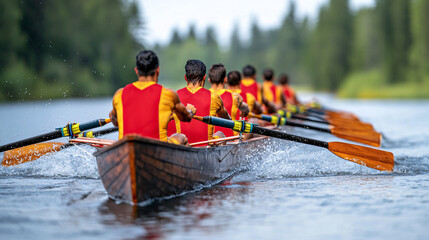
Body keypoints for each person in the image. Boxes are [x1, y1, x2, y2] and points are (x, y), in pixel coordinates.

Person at [109, 50, 195, 144]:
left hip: (127, 146)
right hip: (159, 147)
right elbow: (185, 118)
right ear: (157, 70)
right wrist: (190, 111)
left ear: (136, 71)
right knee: (181, 137)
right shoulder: (169, 94)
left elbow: (114, 120)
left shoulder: (119, 94)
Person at [168, 59, 230, 144]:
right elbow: (226, 118)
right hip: (206, 147)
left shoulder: (173, 96)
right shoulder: (214, 97)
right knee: (220, 134)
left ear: (185, 77)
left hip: (182, 145)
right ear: (204, 77)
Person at [208, 64, 250, 137]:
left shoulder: (203, 96)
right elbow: (245, 109)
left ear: (209, 80)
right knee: (254, 121)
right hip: (232, 138)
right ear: (225, 79)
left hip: (212, 139)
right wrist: (245, 111)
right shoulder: (235, 96)